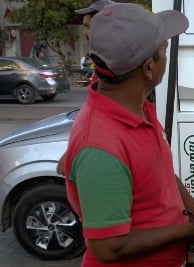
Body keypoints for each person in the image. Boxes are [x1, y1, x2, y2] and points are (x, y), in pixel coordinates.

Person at [63, 4, 194, 267]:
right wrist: (186, 230)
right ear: (149, 66)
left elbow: (162, 172)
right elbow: (108, 246)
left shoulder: (137, 107)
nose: (166, 54)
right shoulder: (100, 145)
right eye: (163, 49)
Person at [56, 0, 114, 175]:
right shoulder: (100, 62)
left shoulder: (117, 65)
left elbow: (109, 113)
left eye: (89, 27)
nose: (85, 32)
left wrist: (74, 149)